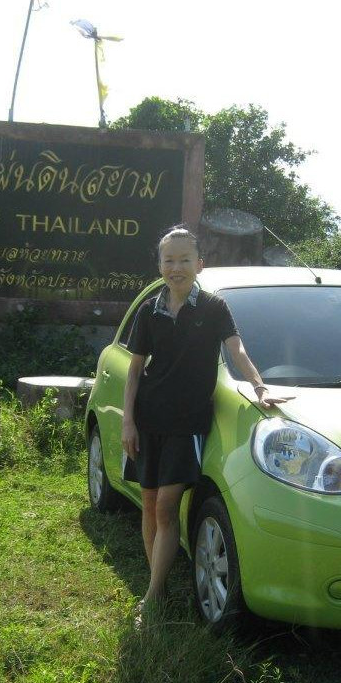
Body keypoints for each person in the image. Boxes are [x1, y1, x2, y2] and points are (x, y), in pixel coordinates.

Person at [121, 225, 291, 624]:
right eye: (168, 260)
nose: (176, 267)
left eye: (184, 260)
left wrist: (259, 386)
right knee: (148, 504)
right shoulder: (150, 311)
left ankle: (151, 597)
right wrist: (128, 421)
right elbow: (133, 372)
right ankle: (158, 585)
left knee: (166, 507)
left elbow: (238, 349)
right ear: (160, 265)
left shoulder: (214, 308)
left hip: (186, 424)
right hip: (148, 419)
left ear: (200, 264)